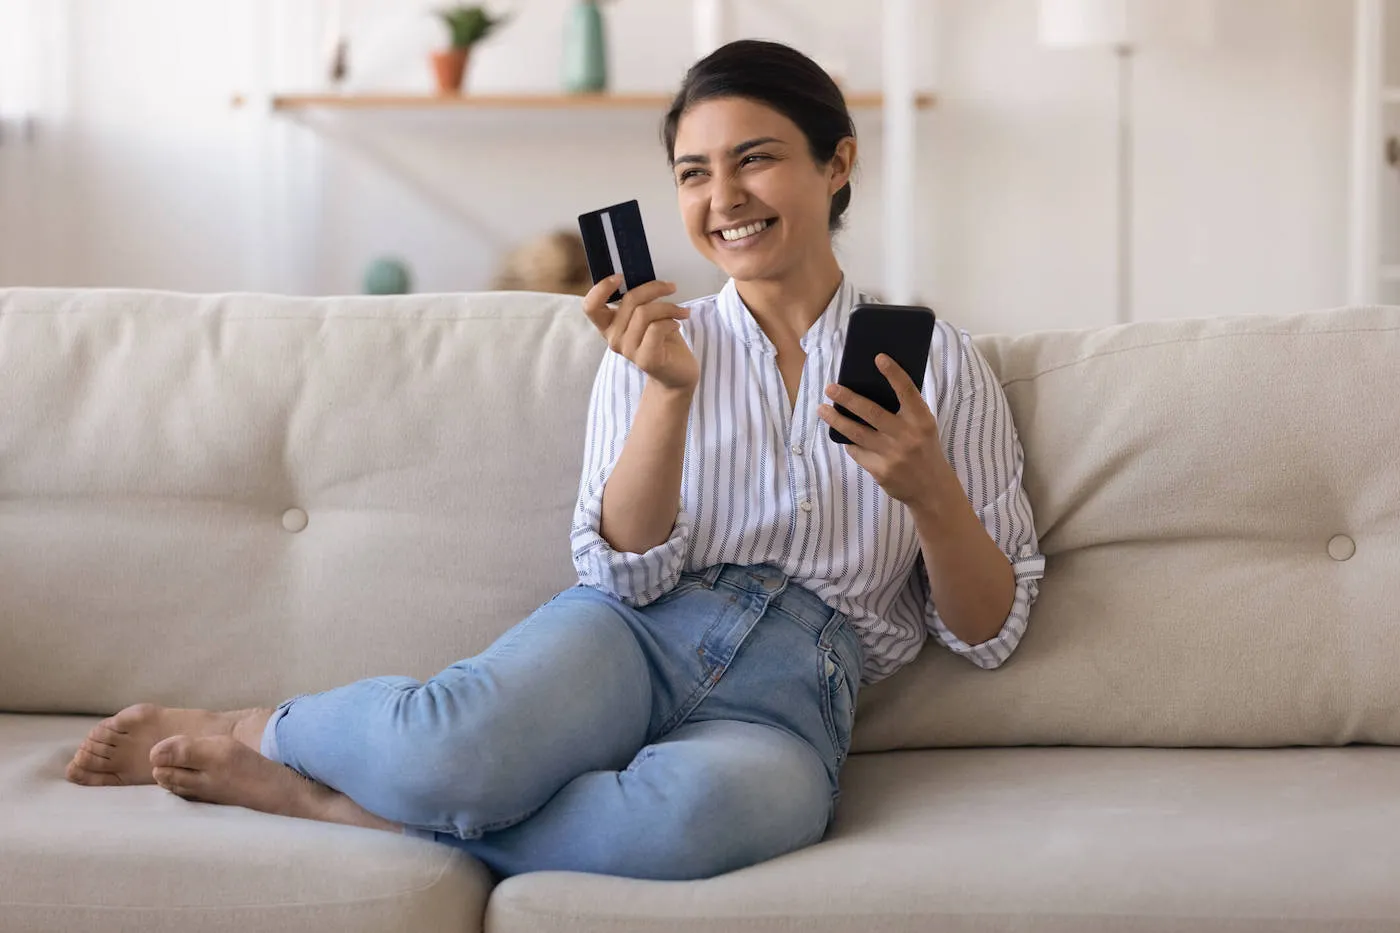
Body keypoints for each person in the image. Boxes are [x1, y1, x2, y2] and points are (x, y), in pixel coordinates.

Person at [64, 39, 1045, 882]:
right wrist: (666, 393)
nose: (723, 198)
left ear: (836, 165)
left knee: (702, 823)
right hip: (636, 633)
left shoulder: (935, 362)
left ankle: (340, 814)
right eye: (693, 173)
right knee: (450, 749)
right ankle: (258, 728)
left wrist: (926, 493)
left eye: (754, 160)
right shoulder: (655, 340)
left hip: (798, 690)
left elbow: (987, 631)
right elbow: (618, 568)